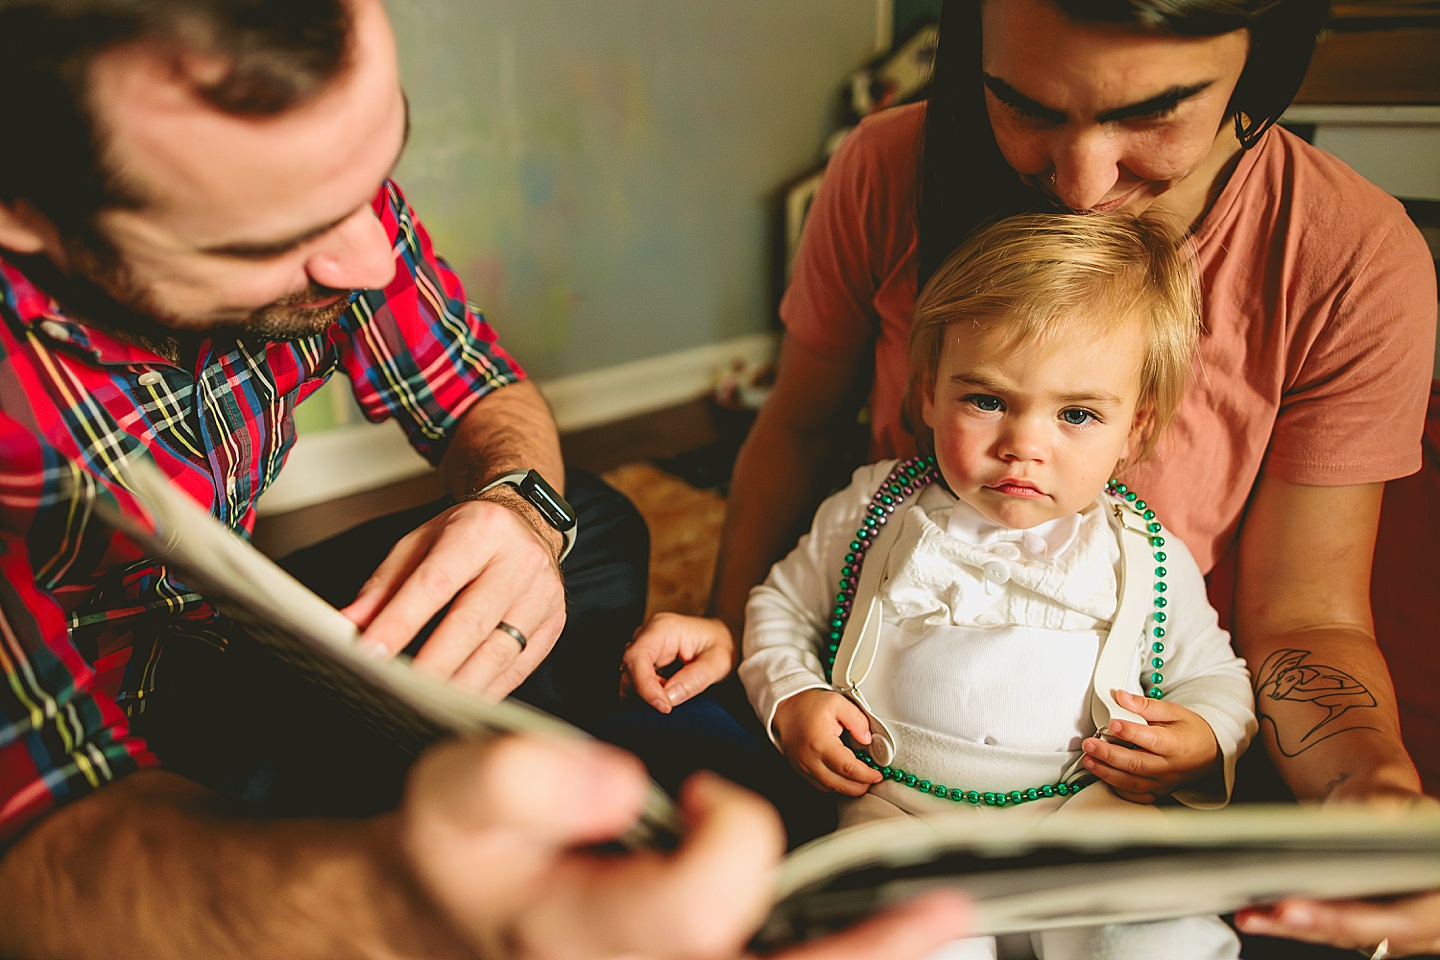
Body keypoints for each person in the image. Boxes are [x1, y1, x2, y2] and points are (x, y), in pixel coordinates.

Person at [0, 0, 979, 955]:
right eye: (272, 244)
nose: (371, 258)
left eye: (376, 174)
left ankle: (519, 771)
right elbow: (37, 848)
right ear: (27, 209)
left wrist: (514, 509)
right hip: (82, 727)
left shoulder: (316, 199)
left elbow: (477, 389)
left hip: (205, 623)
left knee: (590, 526)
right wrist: (397, 905)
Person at [622, 0, 1438, 955]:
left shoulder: (1351, 257)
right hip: (885, 780)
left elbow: (1305, 622)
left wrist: (1368, 787)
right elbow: (793, 432)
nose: (1080, 182)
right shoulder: (888, 166)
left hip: (1105, 785)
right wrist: (760, 673)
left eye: (1155, 113)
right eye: (1022, 106)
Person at [741, 212, 1253, 960]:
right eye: (986, 401)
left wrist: (1204, 737)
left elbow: (1215, 672)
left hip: (1083, 809)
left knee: (1155, 927)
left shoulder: (1145, 551)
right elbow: (781, 606)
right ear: (927, 394)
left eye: (1077, 414)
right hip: (899, 813)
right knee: (886, 937)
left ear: (1135, 431)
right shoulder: (876, 506)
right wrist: (791, 697)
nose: (1024, 445)